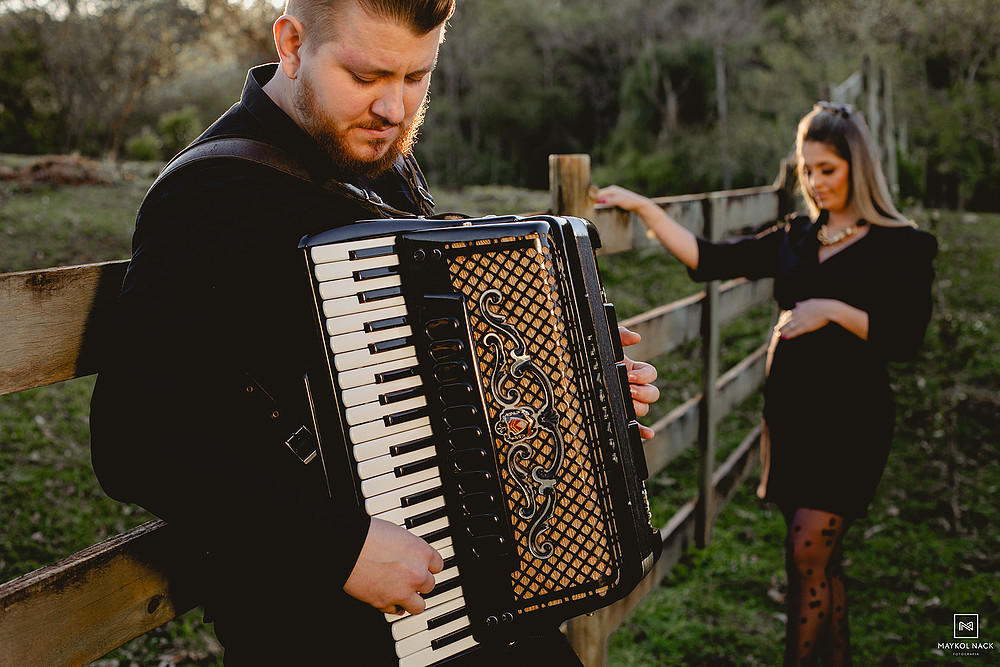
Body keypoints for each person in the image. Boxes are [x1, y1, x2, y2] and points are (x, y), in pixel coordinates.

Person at [89, 1, 660, 664]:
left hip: (462, 590)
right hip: (321, 622)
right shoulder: (211, 198)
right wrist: (338, 544)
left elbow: (436, 368)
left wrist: (573, 391)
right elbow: (136, 436)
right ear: (292, 43)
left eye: (417, 77)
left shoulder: (377, 164)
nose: (394, 109)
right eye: (366, 77)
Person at [597, 101, 937, 666]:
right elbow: (708, 259)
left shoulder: (901, 245)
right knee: (821, 563)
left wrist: (831, 308)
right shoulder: (798, 238)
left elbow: (905, 340)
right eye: (807, 170)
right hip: (794, 420)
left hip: (852, 425)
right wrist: (644, 208)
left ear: (858, 167)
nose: (815, 182)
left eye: (827, 168)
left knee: (806, 556)